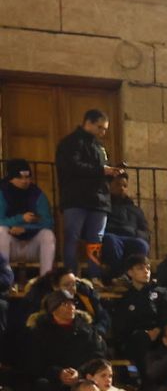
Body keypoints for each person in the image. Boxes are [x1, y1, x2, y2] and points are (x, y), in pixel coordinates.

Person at [55, 109, 117, 272]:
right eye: (100, 127)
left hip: (98, 200)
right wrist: (101, 171)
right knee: (72, 238)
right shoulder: (70, 143)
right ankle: (70, 274)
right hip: (76, 198)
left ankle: (94, 275)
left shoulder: (99, 147)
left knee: (96, 240)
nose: (102, 132)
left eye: (105, 129)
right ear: (88, 123)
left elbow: (101, 171)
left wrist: (112, 173)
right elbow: (72, 167)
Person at [27, 289, 106, 391]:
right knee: (41, 386)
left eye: (73, 303)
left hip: (81, 379)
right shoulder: (40, 332)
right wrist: (58, 373)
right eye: (65, 304)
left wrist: (79, 373)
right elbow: (33, 362)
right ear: (53, 309)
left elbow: (98, 355)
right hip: (53, 381)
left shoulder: (86, 330)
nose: (71, 307)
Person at [0, 159, 56, 272]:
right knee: (1, 231)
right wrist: (20, 219)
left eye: (27, 177)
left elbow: (48, 222)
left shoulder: (37, 194)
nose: (24, 181)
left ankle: (45, 280)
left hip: (32, 245)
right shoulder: (2, 193)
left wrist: (25, 228)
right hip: (10, 245)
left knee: (48, 235)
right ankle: (3, 280)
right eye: (20, 178)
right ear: (11, 178)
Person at [99, 171, 151, 279]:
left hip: (131, 237)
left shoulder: (135, 209)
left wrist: (138, 235)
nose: (122, 188)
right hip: (112, 236)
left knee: (141, 245)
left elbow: (144, 229)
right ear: (109, 185)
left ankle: (132, 277)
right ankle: (118, 277)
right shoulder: (102, 207)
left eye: (125, 186)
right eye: (118, 185)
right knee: (111, 241)